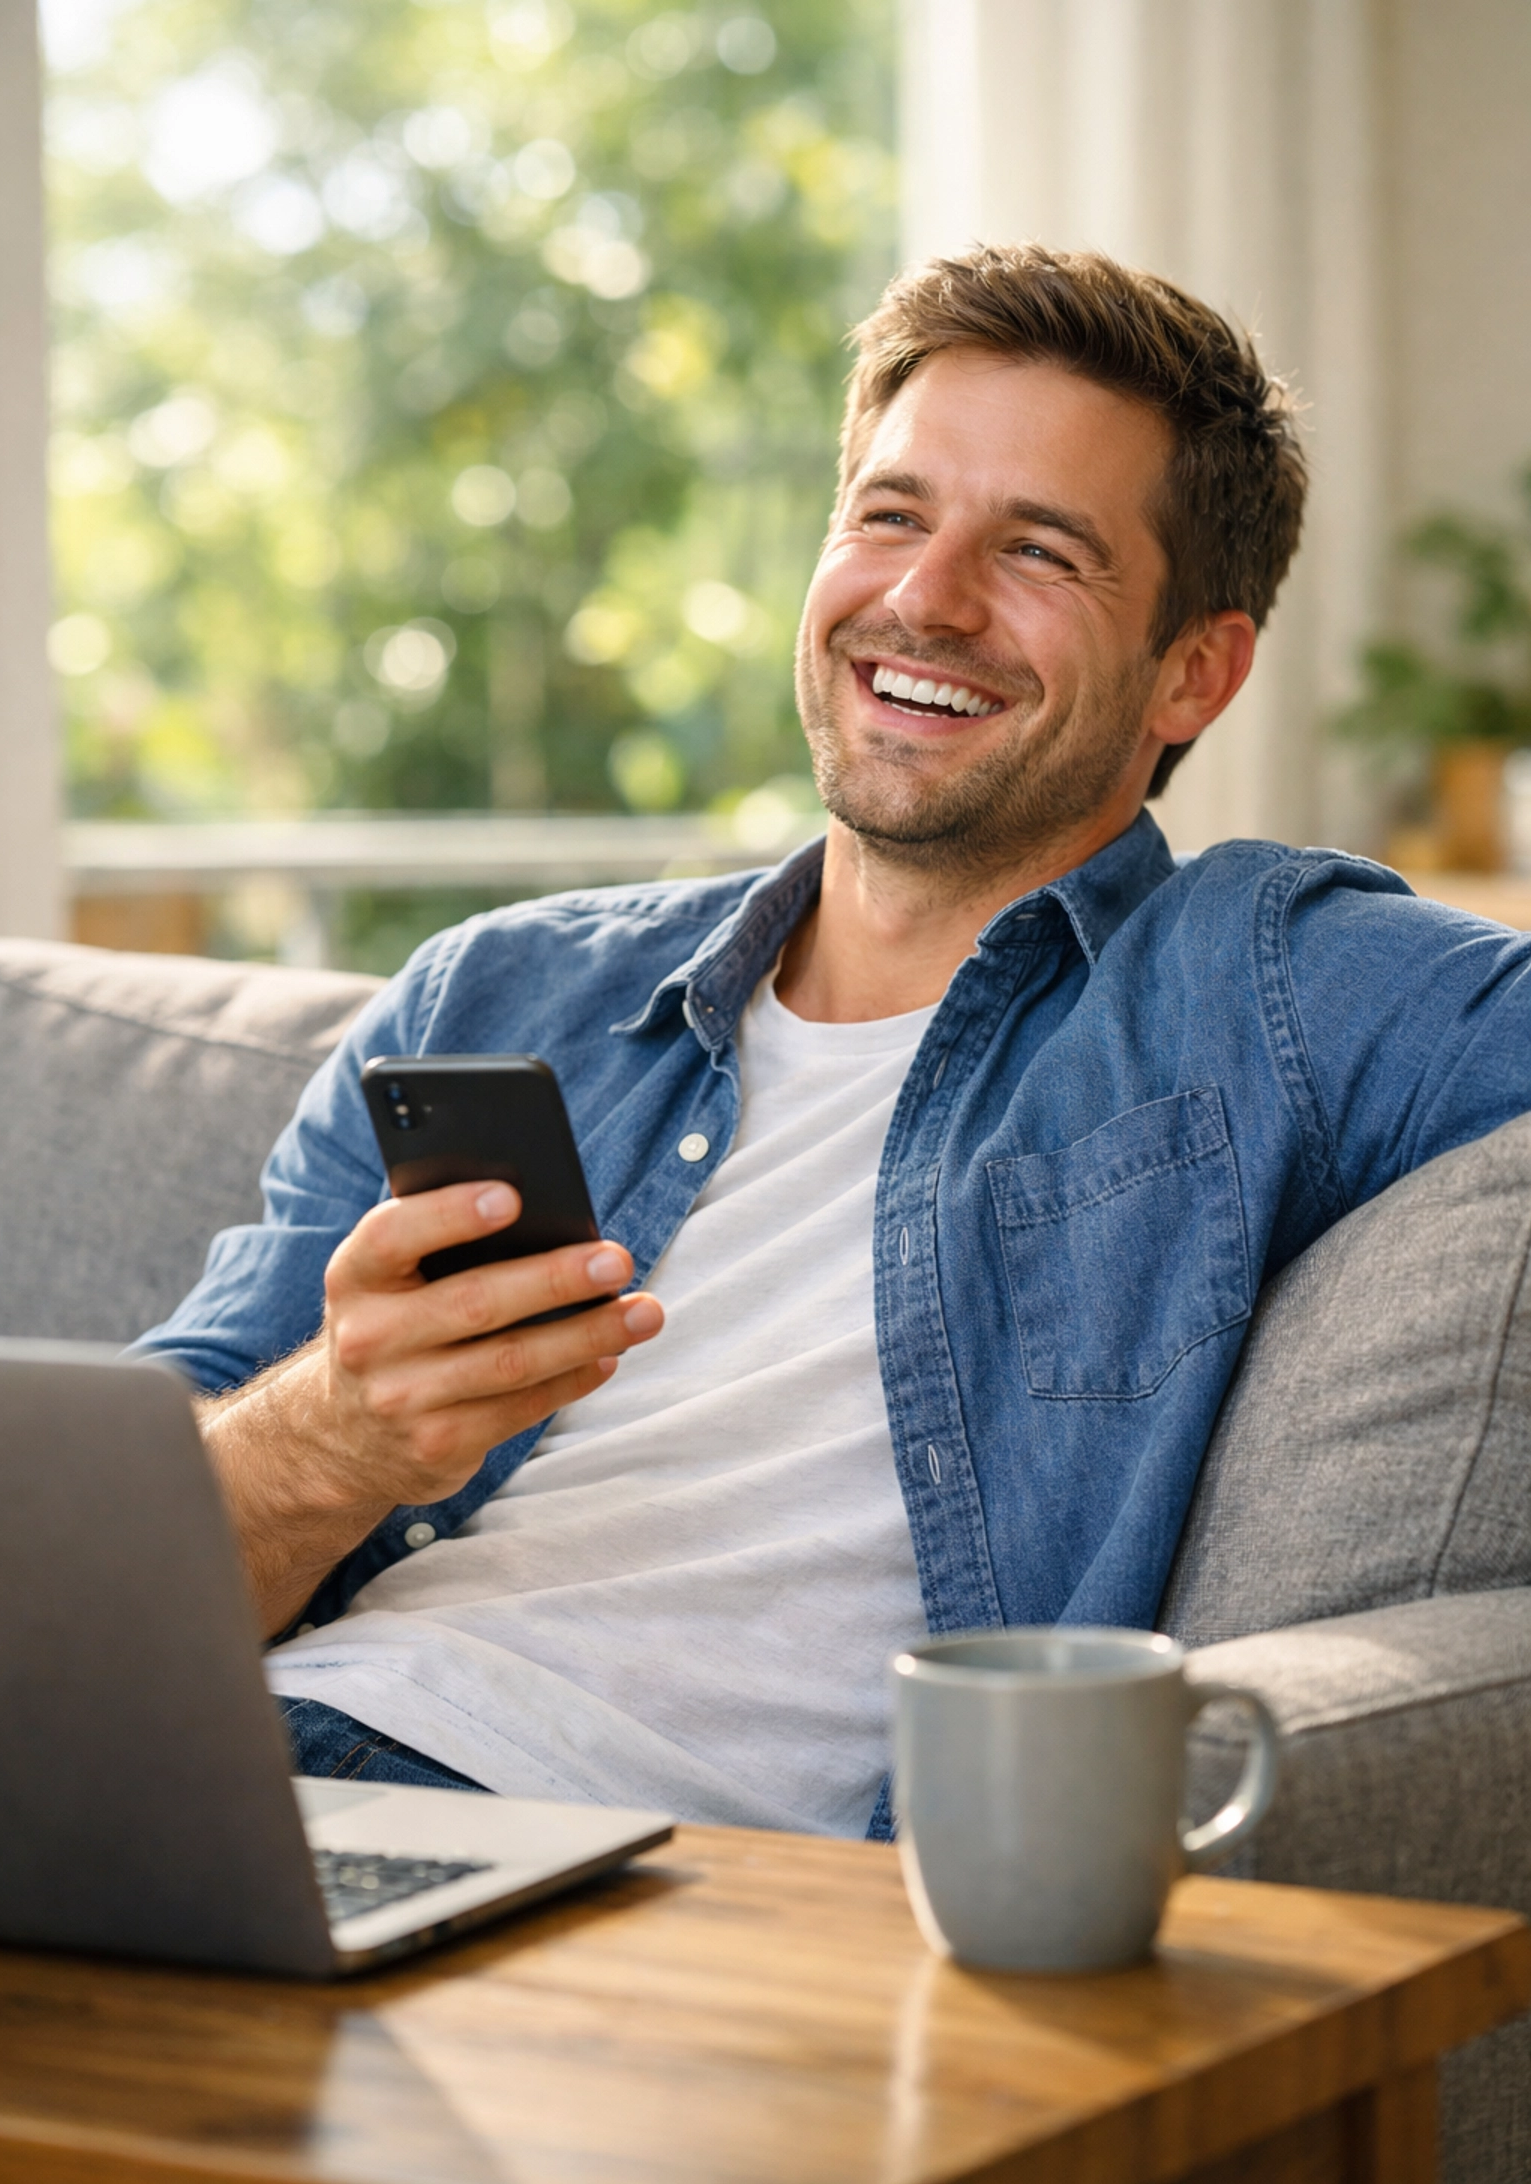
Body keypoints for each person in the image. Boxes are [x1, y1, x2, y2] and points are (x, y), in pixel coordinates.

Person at [139, 244, 1531, 1841]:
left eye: (1040, 551)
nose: (925, 599)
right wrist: (332, 1432)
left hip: (613, 1866)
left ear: (1193, 672)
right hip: (218, 1767)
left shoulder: (1266, 981)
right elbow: (84, 1560)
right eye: (889, 515)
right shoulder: (494, 992)